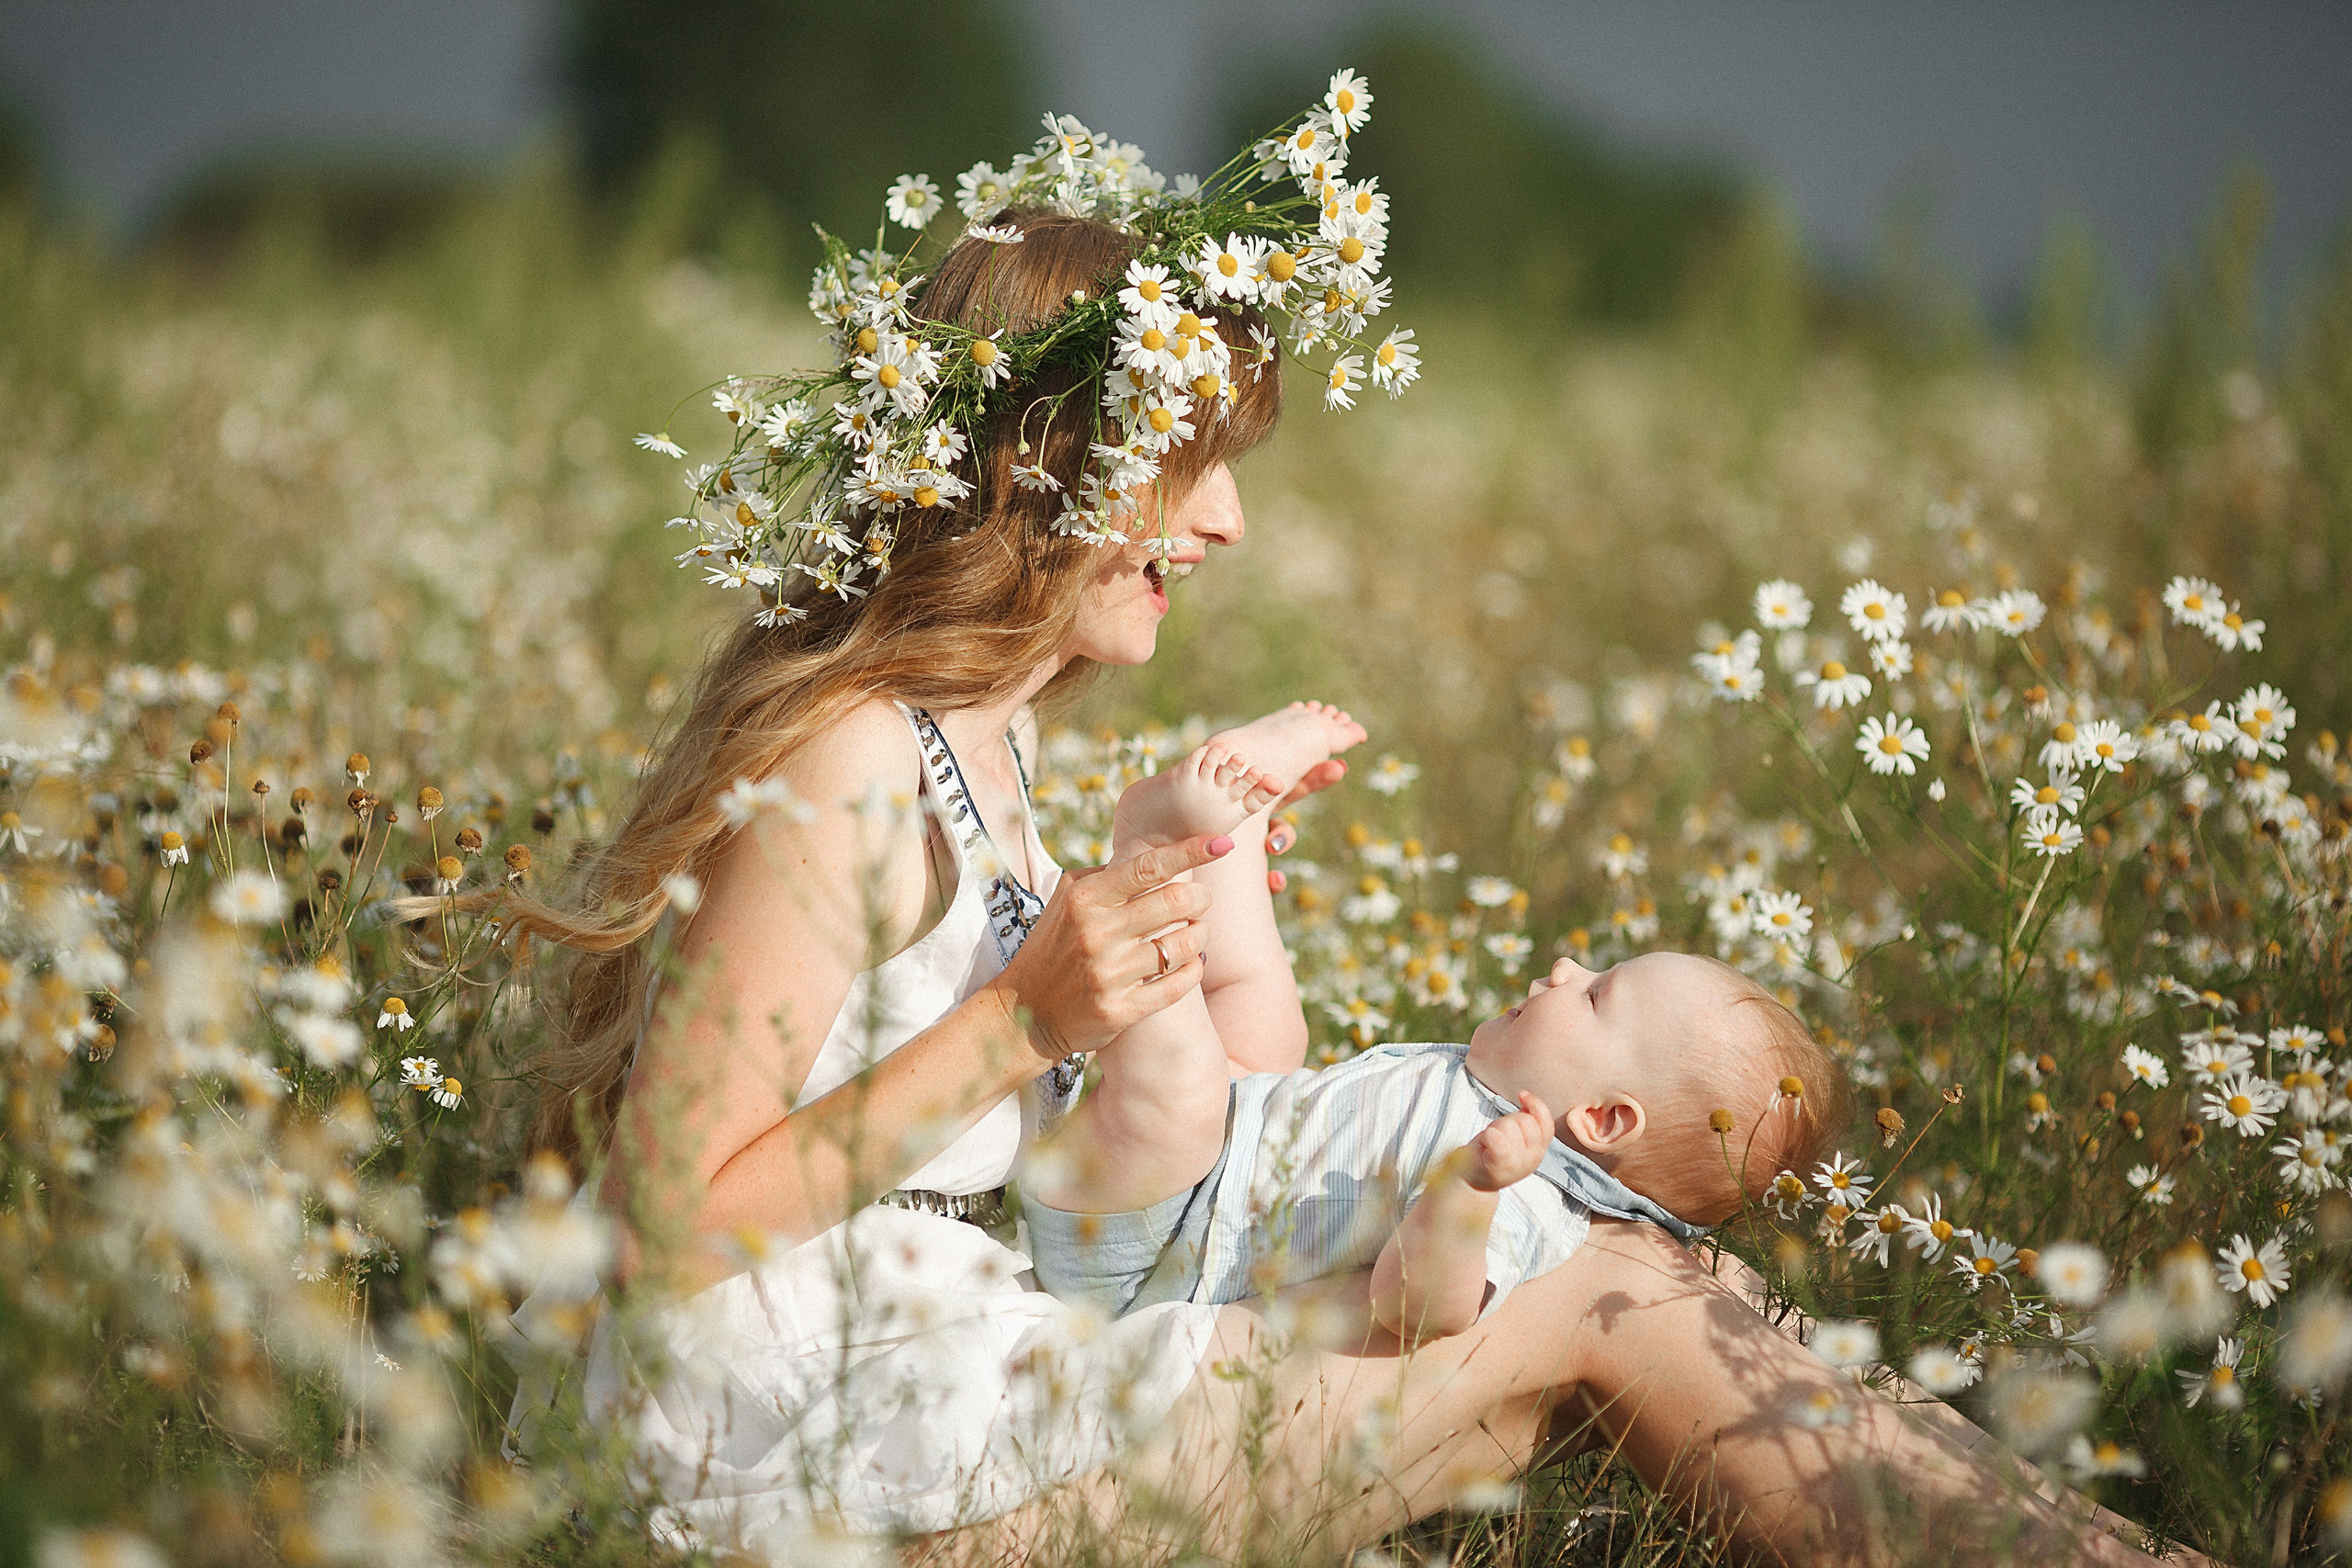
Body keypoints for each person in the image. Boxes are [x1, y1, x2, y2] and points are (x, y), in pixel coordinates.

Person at [494, 97, 2198, 1566]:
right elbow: (659, 1221)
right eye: (1195, 464)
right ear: (1054, 463)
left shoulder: (977, 756)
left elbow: (1103, 1161)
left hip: (932, 1388)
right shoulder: (854, 757)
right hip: (790, 1468)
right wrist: (1026, 1020)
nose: (1228, 521)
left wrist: (1196, 958)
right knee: (1613, 1306)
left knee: (1640, 1268)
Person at [1022, 730, 1849, 1341]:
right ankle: (1227, 829)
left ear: (1602, 1120)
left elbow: (1417, 1310)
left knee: (1186, 1088)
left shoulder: (1522, 1196)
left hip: (1150, 1254)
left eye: (1596, 995)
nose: (1564, 966)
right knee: (1270, 1019)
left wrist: (1468, 1191)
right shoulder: (1502, 1101)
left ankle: (1148, 853)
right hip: (1222, 1156)